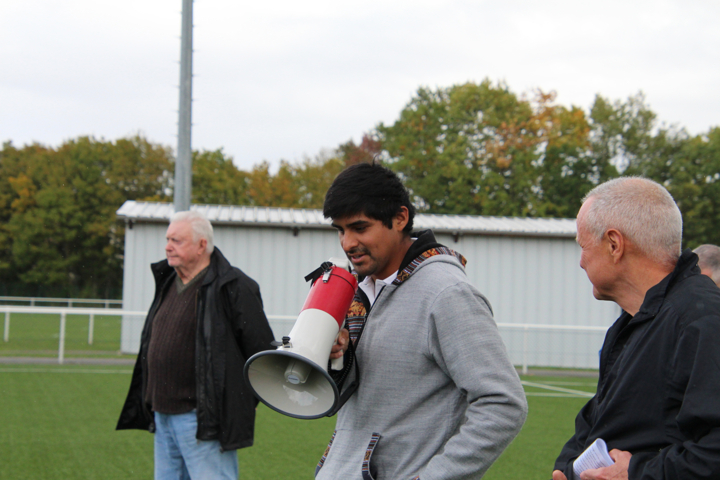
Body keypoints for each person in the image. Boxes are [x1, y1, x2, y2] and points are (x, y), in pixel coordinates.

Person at [315, 162, 527, 480]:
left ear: (400, 218)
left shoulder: (447, 293)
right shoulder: (360, 287)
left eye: (359, 228)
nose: (347, 243)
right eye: (341, 230)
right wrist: (336, 357)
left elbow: (503, 403)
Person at [552, 177, 720, 480]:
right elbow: (599, 420)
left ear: (614, 244)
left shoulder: (702, 319)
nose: (580, 262)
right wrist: (568, 469)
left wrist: (637, 473)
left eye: (583, 246)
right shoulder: (633, 322)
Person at [116, 210, 275, 480]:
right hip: (162, 415)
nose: (167, 246)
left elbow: (260, 354)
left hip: (203, 420)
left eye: (176, 240)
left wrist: (232, 406)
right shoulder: (168, 280)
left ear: (202, 245)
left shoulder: (234, 286)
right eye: (167, 239)